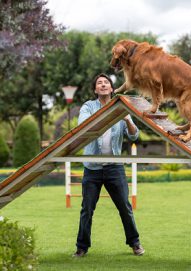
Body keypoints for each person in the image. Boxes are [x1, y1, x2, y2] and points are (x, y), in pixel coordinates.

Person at [73, 73, 144, 257]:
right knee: (87, 209)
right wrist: (107, 114)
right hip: (92, 168)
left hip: (114, 167)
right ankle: (81, 248)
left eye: (106, 83)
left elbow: (135, 135)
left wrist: (127, 119)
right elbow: (83, 124)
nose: (103, 85)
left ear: (112, 88)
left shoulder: (122, 107)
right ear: (95, 89)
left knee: (125, 208)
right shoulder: (89, 106)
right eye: (99, 83)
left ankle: (135, 243)